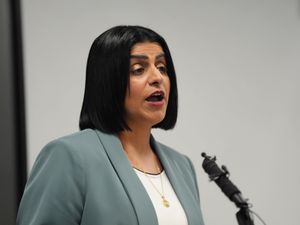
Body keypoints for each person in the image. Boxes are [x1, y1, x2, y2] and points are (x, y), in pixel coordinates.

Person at [16, 25, 205, 225]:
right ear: (108, 81)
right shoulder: (69, 156)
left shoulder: (182, 166)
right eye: (138, 70)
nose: (157, 78)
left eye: (162, 67)